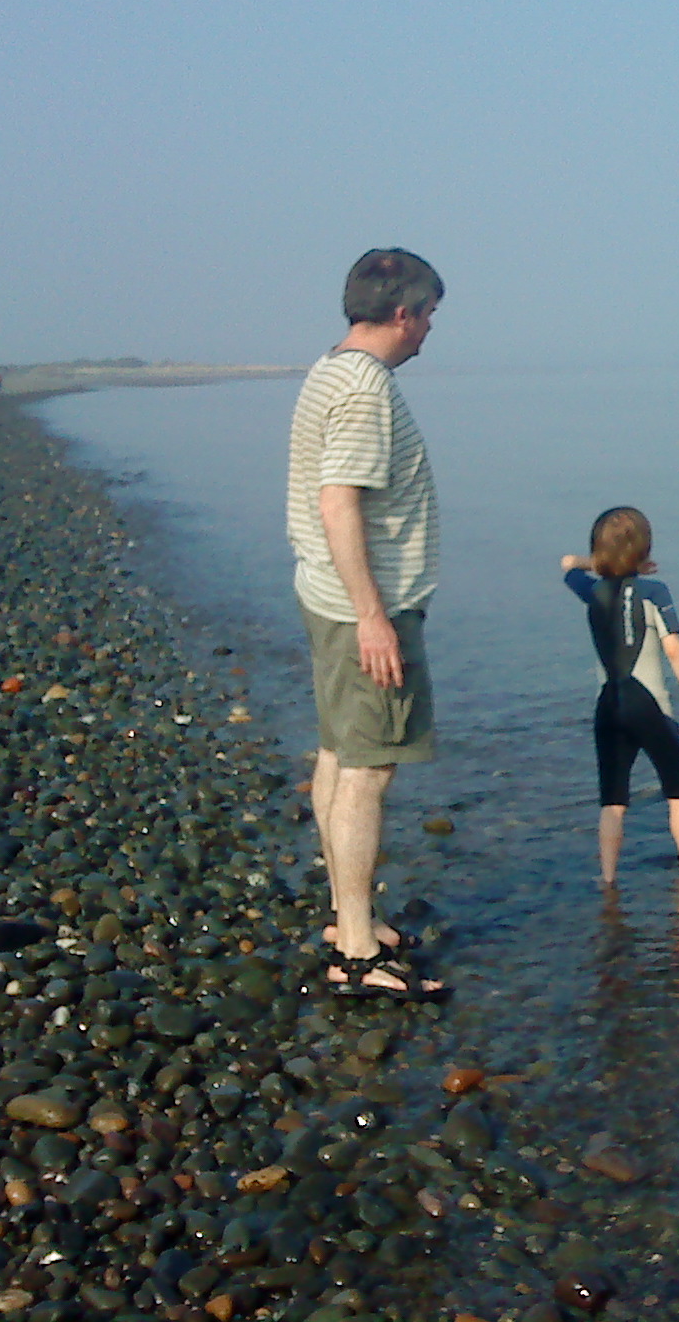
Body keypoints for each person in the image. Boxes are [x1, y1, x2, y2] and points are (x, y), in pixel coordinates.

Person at [286, 248, 448, 999]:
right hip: (360, 608)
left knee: (338, 752)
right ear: (402, 312)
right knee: (367, 769)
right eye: (429, 317)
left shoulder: (331, 371)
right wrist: (375, 617)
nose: (428, 333)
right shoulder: (362, 390)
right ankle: (356, 950)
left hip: (329, 597)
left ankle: (347, 915)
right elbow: (338, 501)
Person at [561, 507, 679, 885]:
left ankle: (607, 881)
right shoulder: (655, 591)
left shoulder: (591, 590)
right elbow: (673, 648)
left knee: (613, 801)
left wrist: (598, 563)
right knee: (677, 792)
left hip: (609, 706)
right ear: (645, 551)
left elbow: (569, 564)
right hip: (650, 707)